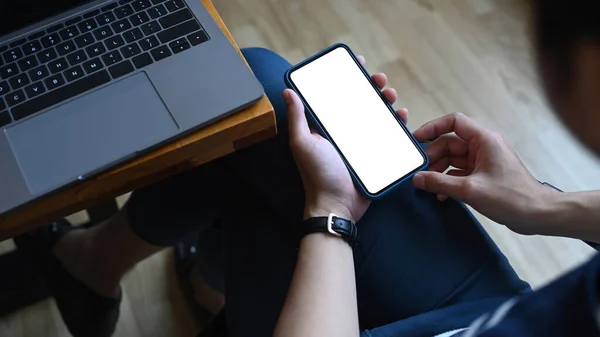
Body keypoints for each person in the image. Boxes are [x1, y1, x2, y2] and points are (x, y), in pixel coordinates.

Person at [14, 0, 600, 336]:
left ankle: (133, 275)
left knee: (272, 159)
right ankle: (139, 274)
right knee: (262, 98)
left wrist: (332, 215)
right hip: (508, 314)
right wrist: (542, 204)